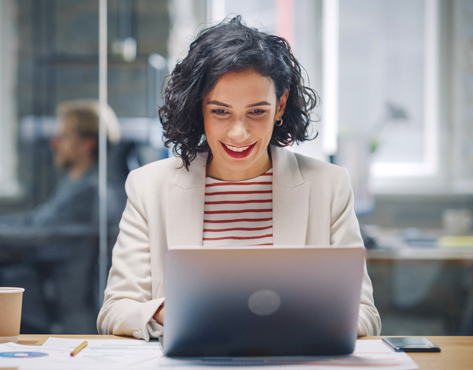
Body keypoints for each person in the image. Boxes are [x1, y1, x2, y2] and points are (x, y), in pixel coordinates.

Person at [97, 16, 381, 340]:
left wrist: (294, 319)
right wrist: (167, 313)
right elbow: (115, 309)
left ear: (280, 105)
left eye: (257, 112)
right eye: (220, 111)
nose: (239, 132)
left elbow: (366, 315)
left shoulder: (329, 186)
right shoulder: (149, 187)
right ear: (198, 108)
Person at [0, 100, 120, 333]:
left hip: (60, 309)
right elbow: (35, 221)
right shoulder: (74, 183)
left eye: (63, 136)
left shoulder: (91, 191)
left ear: (88, 143)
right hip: (44, 288)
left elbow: (40, 235)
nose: (53, 143)